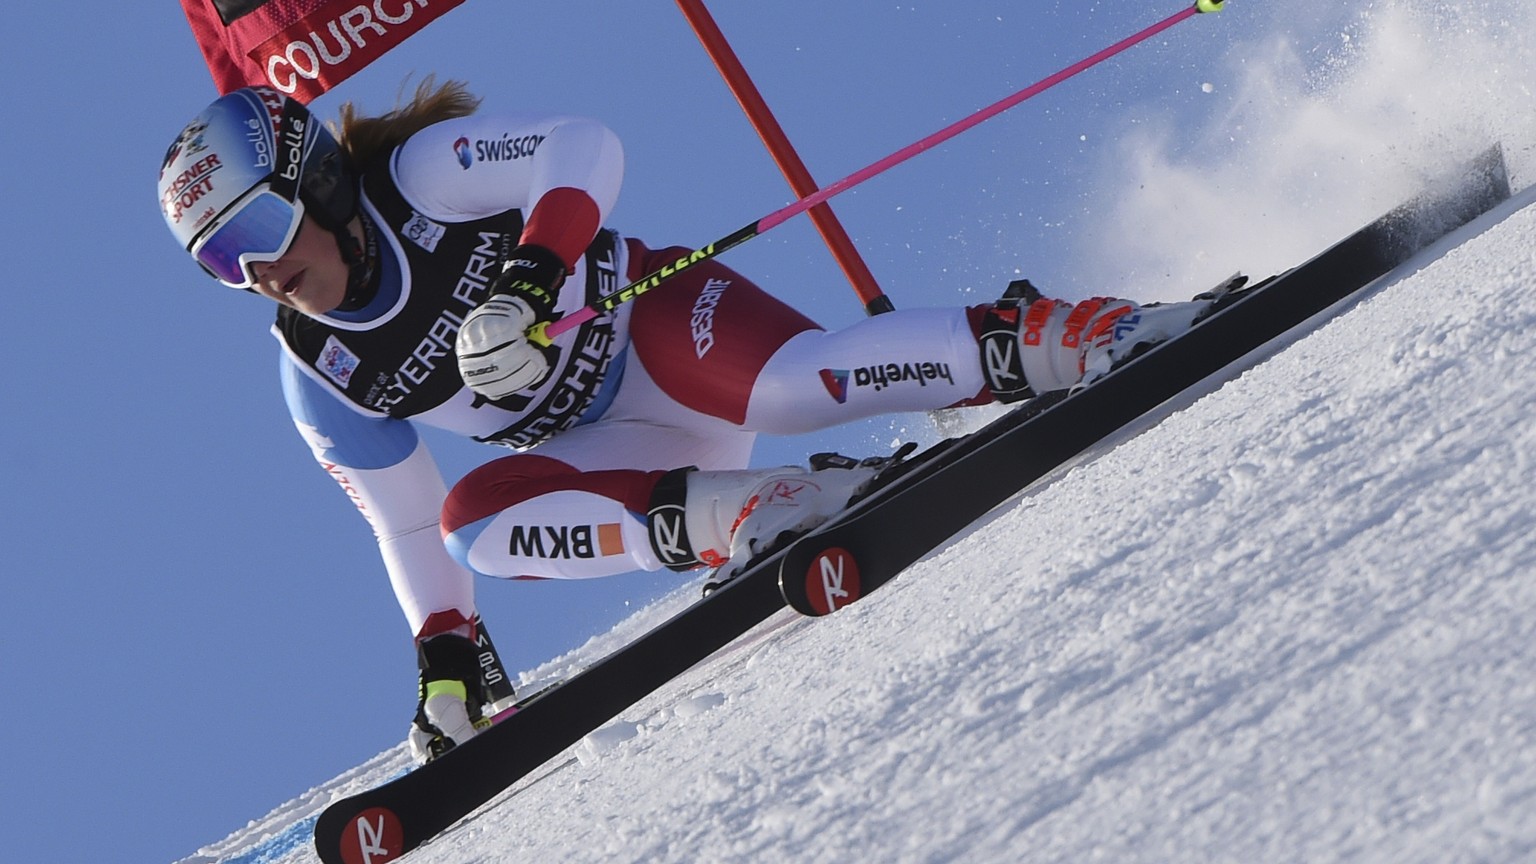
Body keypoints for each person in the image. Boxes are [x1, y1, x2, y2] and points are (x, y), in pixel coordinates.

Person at [156, 79, 1215, 760]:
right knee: (473, 522)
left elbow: (584, 145)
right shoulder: (321, 371)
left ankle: (1071, 338)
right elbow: (401, 519)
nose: (261, 273)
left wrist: (530, 284)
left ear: (320, 178)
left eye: (256, 227)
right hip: (621, 451)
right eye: (221, 264)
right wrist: (446, 647)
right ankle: (770, 507)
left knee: (798, 384)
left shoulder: (418, 181)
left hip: (654, 321)